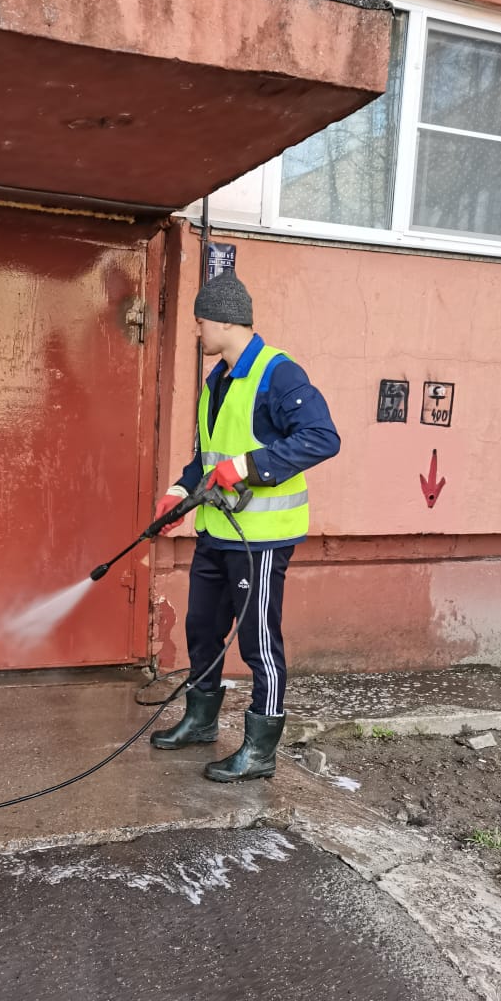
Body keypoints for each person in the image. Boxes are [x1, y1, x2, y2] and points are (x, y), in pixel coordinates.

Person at [151, 270, 340, 782]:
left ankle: (260, 751)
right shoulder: (217, 380)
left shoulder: (279, 374)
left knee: (257, 640)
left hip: (261, 541)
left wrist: (250, 467)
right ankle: (201, 720)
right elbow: (207, 459)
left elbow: (322, 437)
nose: (197, 332)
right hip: (216, 533)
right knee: (202, 629)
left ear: (222, 321)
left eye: (199, 322)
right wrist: (179, 494)